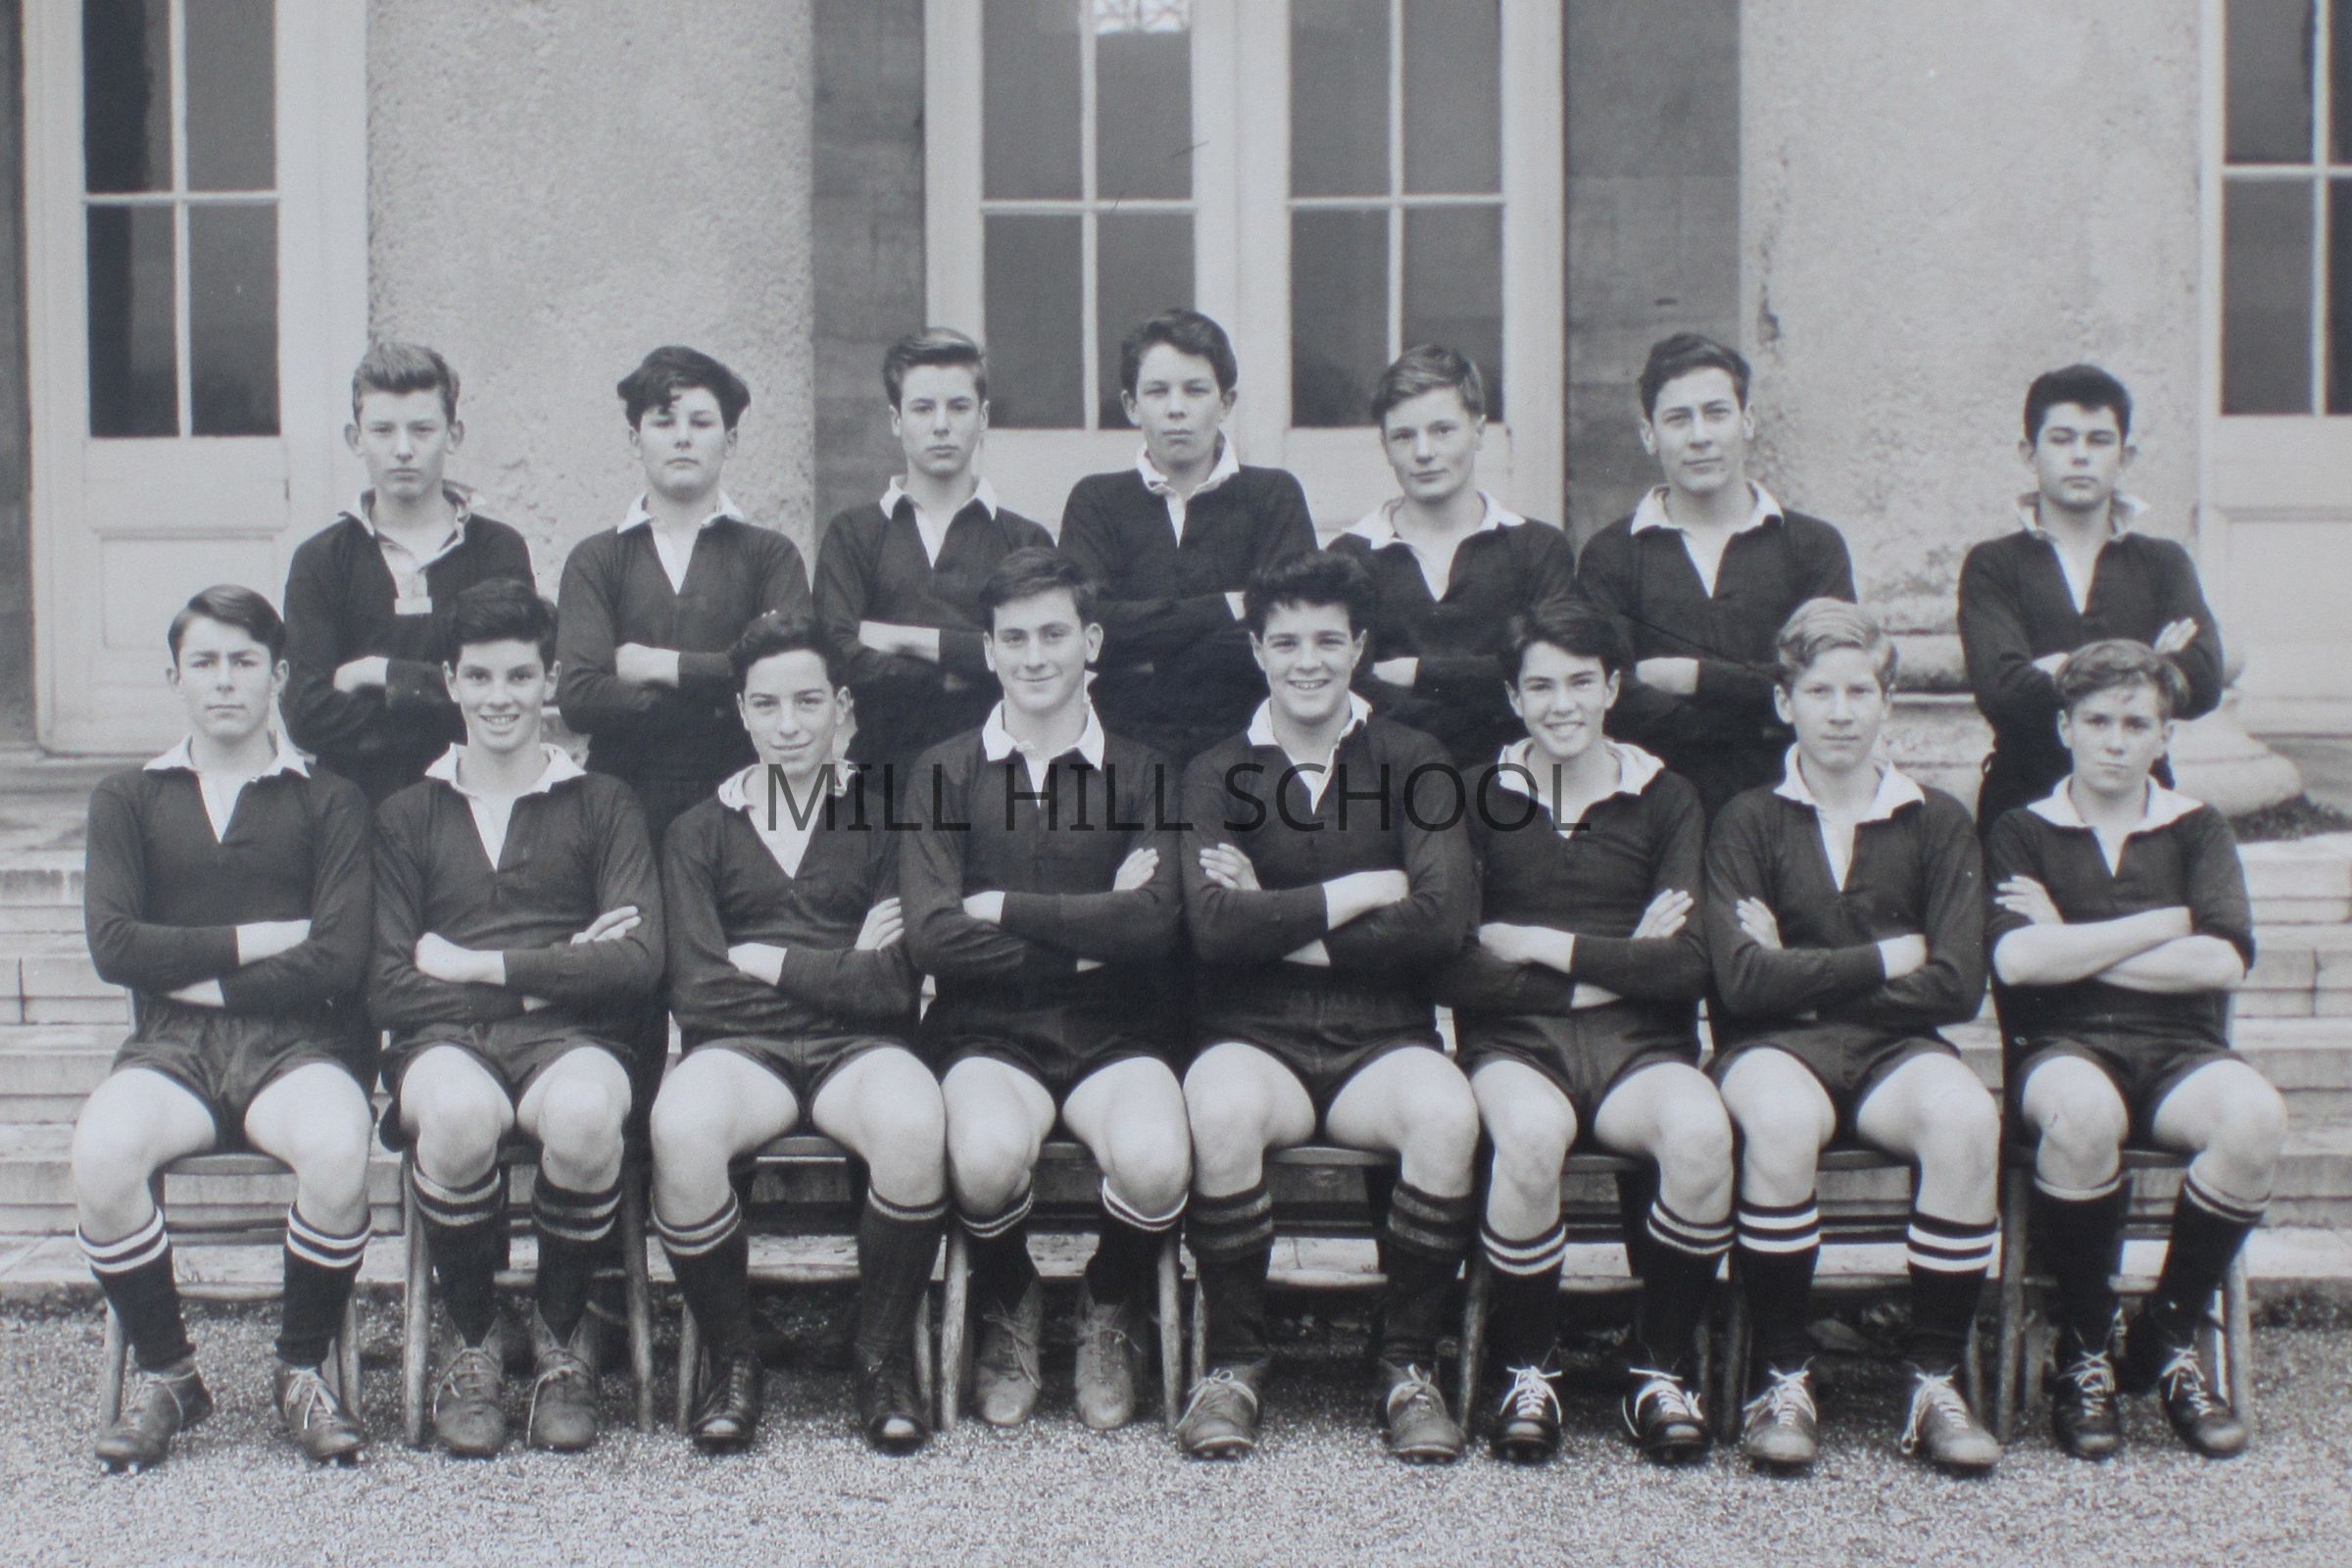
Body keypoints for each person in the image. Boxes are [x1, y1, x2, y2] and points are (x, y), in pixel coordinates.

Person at [1173, 552, 1480, 1464]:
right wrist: (1363, 888)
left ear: (1359, 647)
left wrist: (1275, 914)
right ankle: (1235, 1362)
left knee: (1445, 1113)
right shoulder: (1217, 769)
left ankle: (1406, 1364)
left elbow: (1441, 921)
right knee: (1220, 1108)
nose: (1307, 661)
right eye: (1286, 642)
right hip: (1253, 1030)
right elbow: (1213, 929)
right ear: (1257, 651)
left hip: (1381, 1035)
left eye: (1326, 640)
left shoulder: (1414, 759)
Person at [74, 586, 376, 1471]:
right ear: (174, 677)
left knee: (337, 1147)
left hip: (299, 1046)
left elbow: (337, 958)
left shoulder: (330, 799)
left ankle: (300, 1370)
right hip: (171, 1051)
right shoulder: (128, 797)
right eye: (203, 662)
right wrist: (260, 939)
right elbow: (115, 945)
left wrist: (191, 975)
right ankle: (170, 1375)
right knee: (102, 1154)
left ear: (278, 676)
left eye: (245, 662)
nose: (224, 680)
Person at [1705, 599, 2001, 1474]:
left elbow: (1956, 982)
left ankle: (1934, 1378)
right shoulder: (1746, 819)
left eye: (1859, 691)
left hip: (1893, 1053)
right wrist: (1885, 957)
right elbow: (1740, 983)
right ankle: (1782, 1374)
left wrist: (1799, 972)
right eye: (1819, 691)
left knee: (1964, 1119)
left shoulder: (1937, 820)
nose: (1840, 712)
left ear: (1887, 701)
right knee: (1780, 1121)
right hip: (1771, 1051)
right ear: (1784, 701)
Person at [370, 580, 663, 1457]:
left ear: (550, 683)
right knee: (458, 1114)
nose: (500, 698)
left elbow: (637, 963)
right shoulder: (406, 814)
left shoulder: (604, 801)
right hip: (443, 1038)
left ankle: (562, 1336)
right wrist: (556, 972)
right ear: (449, 683)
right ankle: (472, 1336)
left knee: (584, 1114)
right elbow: (388, 984)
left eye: (520, 676)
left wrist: (479, 965)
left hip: (576, 1039)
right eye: (480, 677)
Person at [901, 550, 1190, 1434]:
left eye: (1054, 634)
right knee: (984, 1158)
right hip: (986, 1031)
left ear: (1091, 641)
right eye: (1015, 638)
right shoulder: (942, 772)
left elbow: (1153, 927)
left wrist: (1001, 907)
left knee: (1155, 1162)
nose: (1035, 656)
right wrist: (1088, 937)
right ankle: (1010, 1294)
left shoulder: (1145, 771)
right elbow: (933, 937)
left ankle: (1109, 1299)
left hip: (1119, 1029)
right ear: (989, 650)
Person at [1436, 604, 1729, 1464]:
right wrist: (1621, 957)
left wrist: (1536, 941)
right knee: (1529, 1134)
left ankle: (1658, 1368)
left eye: (1579, 682)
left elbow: (1687, 965)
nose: (1561, 704)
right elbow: (1452, 963)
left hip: (1643, 1045)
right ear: (1512, 697)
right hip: (1514, 1044)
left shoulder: (1668, 796)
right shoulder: (1471, 795)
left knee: (1701, 1132)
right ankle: (1528, 1368)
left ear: (1612, 687)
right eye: (1539, 686)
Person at [650, 613, 943, 1455]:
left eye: (809, 701)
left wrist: (766, 960)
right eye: (768, 704)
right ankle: (735, 1360)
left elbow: (895, 987)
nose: (788, 724)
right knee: (683, 1125)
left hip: (861, 1052)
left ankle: (880, 1358)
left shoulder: (886, 818)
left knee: (914, 1120)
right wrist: (842, 968)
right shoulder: (697, 831)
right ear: (742, 711)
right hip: (743, 1055)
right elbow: (700, 990)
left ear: (841, 707)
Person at [1987, 638, 2278, 1460]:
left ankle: (2165, 1337)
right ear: (2065, 727)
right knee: (2081, 1114)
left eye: (2136, 724)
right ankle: (2084, 1348)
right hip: (2063, 1046)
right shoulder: (2023, 829)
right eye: (2097, 721)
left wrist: (2072, 938)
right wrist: (2163, 923)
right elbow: (2019, 960)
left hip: (2182, 1048)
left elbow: (2221, 961)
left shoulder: (2196, 828)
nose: (2115, 741)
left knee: (2255, 1118)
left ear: (2165, 736)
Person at [1574, 333, 1856, 815]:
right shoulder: (1611, 555)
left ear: (1748, 422)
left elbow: (1828, 681)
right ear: (1649, 435)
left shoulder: (1813, 546)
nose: (1700, 436)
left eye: (1716, 413)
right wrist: (1759, 707)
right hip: (1649, 812)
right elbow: (1611, 697)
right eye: (1678, 419)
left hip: (1790, 808)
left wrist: (1695, 678)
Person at [556, 345, 812, 848]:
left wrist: (658, 665)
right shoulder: (596, 559)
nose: (682, 437)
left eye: (701, 422)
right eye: (663, 421)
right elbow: (580, 697)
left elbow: (786, 681)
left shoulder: (771, 555)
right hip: (621, 803)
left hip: (745, 799)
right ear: (635, 439)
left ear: (730, 440)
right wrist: (721, 690)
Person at [1959, 365, 2226, 832]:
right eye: (2061, 439)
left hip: (2143, 814)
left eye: (2099, 440)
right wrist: (2150, 665)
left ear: (2125, 455)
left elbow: (2202, 682)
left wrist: (2055, 670)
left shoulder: (2163, 562)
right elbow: (2002, 693)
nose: (2080, 455)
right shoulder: (1993, 564)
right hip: (2024, 810)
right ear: (2029, 453)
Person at [1059, 309, 1317, 762]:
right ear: (1131, 405)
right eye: (1157, 391)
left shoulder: (1273, 495)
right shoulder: (1096, 501)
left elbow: (1287, 630)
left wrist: (1145, 654)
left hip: (1250, 747)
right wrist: (1229, 606)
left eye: (1195, 390)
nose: (1176, 408)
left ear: (1226, 402)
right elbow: (1087, 633)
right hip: (1121, 748)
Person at [281, 342, 535, 804]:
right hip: (358, 807)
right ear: (355, 439)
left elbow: (505, 693)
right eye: (382, 430)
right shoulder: (320, 560)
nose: (402, 450)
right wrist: (440, 698)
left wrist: (376, 674)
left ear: (453, 435)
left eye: (421, 430)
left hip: (473, 804)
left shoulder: (497, 551)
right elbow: (306, 715)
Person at [812, 327, 1054, 770]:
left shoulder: (1025, 540)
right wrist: (953, 668)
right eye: (923, 408)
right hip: (882, 769)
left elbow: (1030, 658)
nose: (941, 425)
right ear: (896, 420)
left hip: (998, 771)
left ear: (983, 417)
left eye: (958, 407)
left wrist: (903, 639)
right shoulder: (853, 533)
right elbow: (835, 654)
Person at [1332, 345, 1578, 767]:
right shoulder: (1349, 558)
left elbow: (1551, 677)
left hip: (1517, 778)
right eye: (1404, 436)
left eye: (1442, 430)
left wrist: (1418, 673)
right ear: (1385, 446)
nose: (1423, 452)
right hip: (1394, 780)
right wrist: (1490, 678)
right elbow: (1352, 691)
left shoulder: (1537, 548)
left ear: (1478, 431)